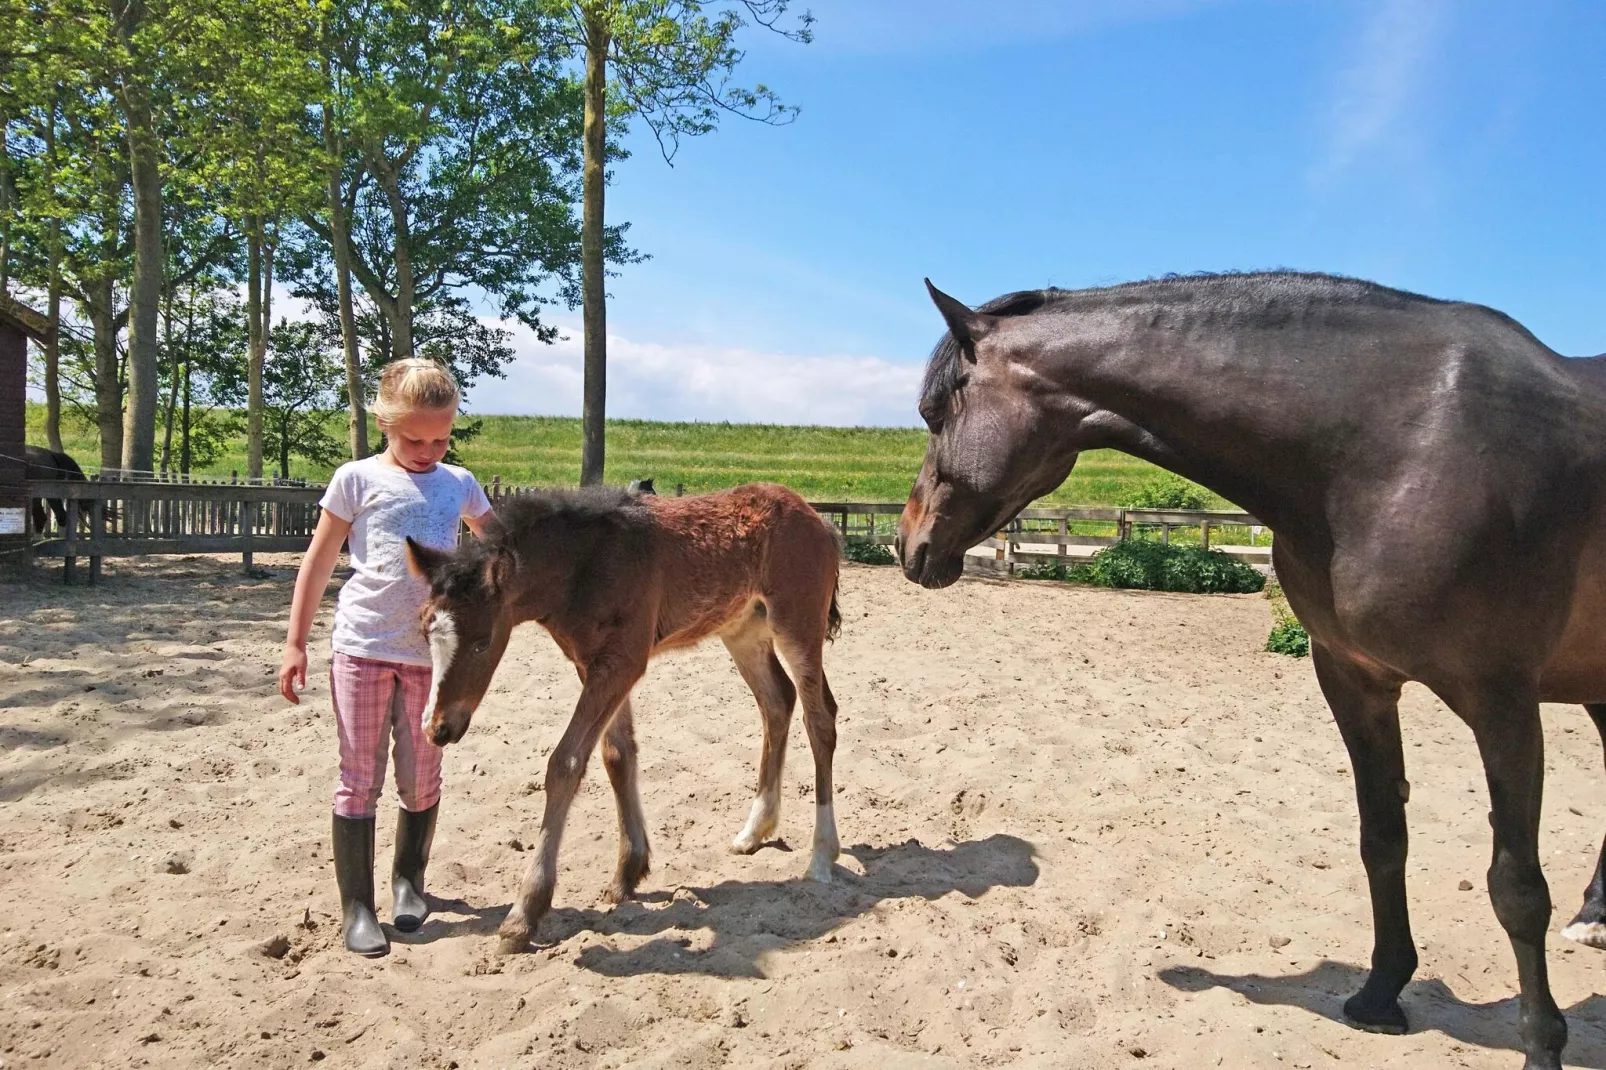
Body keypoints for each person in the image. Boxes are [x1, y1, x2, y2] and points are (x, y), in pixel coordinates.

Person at [278, 358, 493, 956]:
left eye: (440, 438)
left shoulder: (459, 484)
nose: (427, 449)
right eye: (413, 438)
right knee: (358, 777)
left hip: (431, 659)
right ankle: (357, 908)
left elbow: (503, 548)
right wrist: (295, 642)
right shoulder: (355, 479)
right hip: (363, 647)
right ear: (382, 423)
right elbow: (319, 561)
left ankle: (408, 881)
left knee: (423, 773)